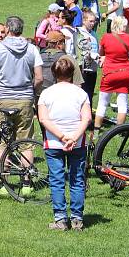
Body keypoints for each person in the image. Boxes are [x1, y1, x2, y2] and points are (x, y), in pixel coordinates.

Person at [38, 57, 91, 231]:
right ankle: (77, 219)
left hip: (54, 142)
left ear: (54, 73)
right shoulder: (81, 93)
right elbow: (87, 118)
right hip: (77, 143)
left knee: (57, 180)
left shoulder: (46, 93)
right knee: (77, 179)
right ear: (72, 73)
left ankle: (60, 219)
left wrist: (61, 137)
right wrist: (74, 137)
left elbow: (43, 118)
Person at [0, 16, 43, 141]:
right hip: (25, 98)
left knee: (1, 141)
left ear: (7, 29)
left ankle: (4, 161)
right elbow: (39, 78)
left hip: (1, 97)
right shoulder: (32, 48)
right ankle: (25, 161)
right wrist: (30, 91)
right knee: (25, 142)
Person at [92, 16, 129, 138]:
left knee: (102, 103)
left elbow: (101, 53)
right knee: (122, 103)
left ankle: (95, 131)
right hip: (125, 72)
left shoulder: (106, 37)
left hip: (110, 73)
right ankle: (119, 131)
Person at [76, 10, 100, 102]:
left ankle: (88, 114)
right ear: (84, 21)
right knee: (82, 96)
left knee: (89, 96)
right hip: (83, 70)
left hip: (93, 69)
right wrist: (94, 55)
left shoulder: (93, 34)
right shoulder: (80, 33)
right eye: (90, 21)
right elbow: (81, 50)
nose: (93, 23)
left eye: (94, 21)